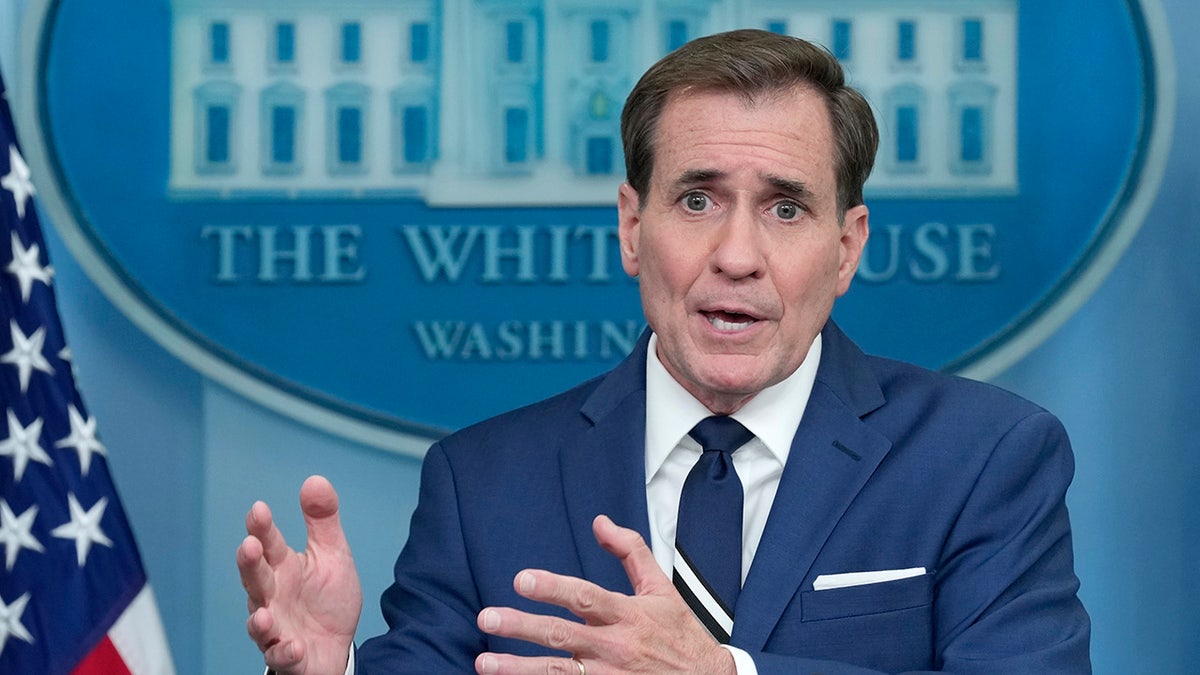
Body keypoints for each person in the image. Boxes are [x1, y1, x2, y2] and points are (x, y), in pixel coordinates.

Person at [237, 29, 1091, 674]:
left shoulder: (985, 458)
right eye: (696, 200)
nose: (737, 253)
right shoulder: (481, 481)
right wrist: (331, 668)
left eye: (786, 208)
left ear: (847, 247)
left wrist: (724, 673)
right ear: (632, 228)